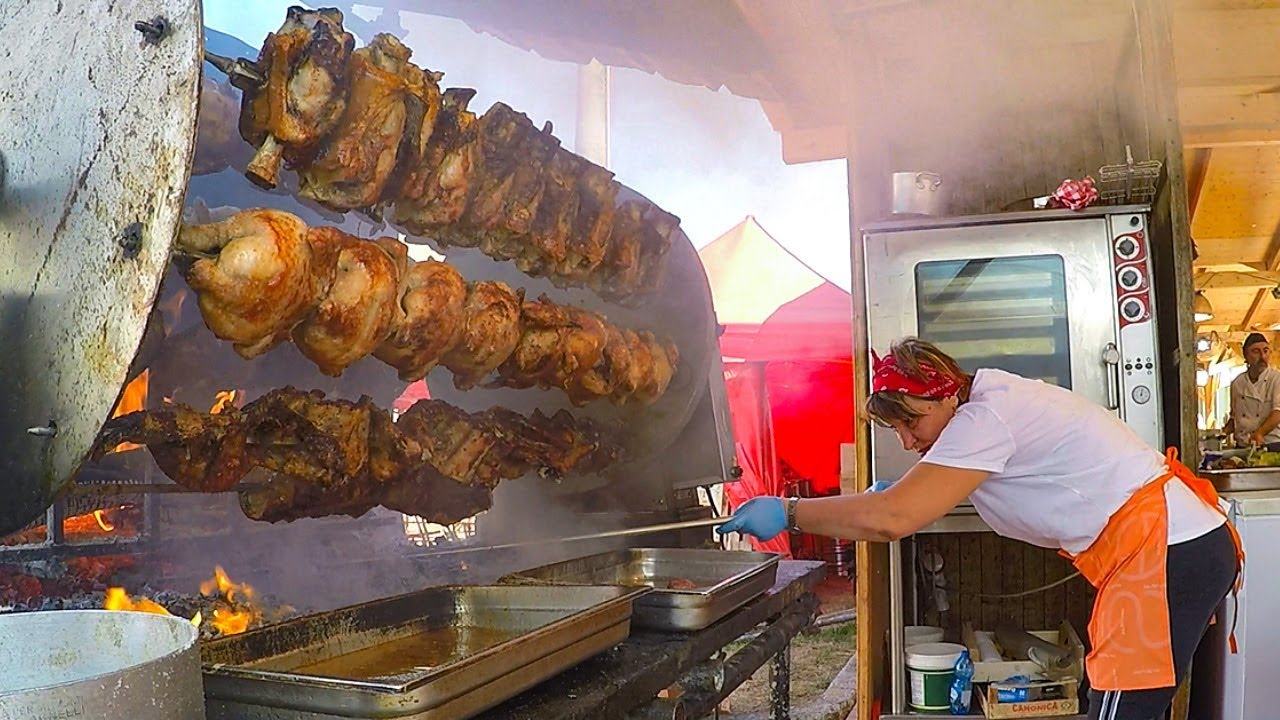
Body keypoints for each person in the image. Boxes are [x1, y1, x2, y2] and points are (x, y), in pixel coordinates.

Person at [717, 337, 1243, 720]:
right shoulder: (987, 403)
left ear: (946, 395)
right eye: (895, 428)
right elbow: (917, 496)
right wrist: (894, 494)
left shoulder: (983, 419)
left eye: (911, 421)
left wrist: (789, 511)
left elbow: (893, 518)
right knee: (1112, 700)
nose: (906, 441)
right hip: (1167, 549)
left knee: (1122, 707)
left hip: (1169, 553)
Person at [1223, 332, 1280, 449]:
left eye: (1265, 351)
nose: (1262, 356)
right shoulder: (1237, 383)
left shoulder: (1276, 379)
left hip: (1271, 445)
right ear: (1246, 356)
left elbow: (1277, 413)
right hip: (1242, 446)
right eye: (1256, 351)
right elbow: (1235, 416)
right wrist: (1221, 433)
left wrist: (1259, 434)